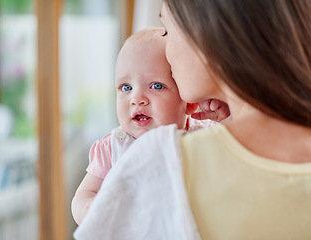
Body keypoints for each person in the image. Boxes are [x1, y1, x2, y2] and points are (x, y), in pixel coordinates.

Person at [74, 0, 311, 239]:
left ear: (208, 33)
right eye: (125, 87)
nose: (166, 51)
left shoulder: (160, 161)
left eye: (166, 30)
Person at [71, 26, 220, 225]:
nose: (136, 99)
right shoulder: (112, 148)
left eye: (156, 86)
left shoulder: (206, 135)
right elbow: (83, 195)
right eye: (126, 87)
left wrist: (225, 116)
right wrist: (89, 209)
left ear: (189, 101)